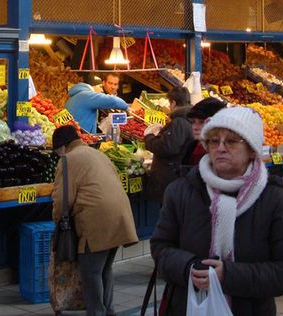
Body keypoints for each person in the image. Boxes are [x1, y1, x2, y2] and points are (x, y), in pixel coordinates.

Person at [150, 107, 283, 315]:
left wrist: (228, 275)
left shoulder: (276, 199)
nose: (220, 148)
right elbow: (161, 248)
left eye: (231, 141)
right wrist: (188, 267)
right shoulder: (181, 191)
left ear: (252, 149)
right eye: (214, 141)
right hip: (186, 307)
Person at [51, 125, 138, 316]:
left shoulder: (68, 160)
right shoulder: (98, 154)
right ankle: (109, 311)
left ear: (62, 147)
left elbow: (62, 199)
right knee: (104, 268)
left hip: (97, 220)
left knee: (91, 273)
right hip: (120, 217)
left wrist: (56, 219)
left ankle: (97, 312)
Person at [142, 87, 193, 203]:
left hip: (171, 179)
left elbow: (166, 147)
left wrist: (149, 137)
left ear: (173, 103)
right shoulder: (190, 119)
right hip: (180, 178)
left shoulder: (179, 122)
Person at [64, 82, 129, 134]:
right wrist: (127, 107)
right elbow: (112, 101)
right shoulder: (87, 96)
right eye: (100, 87)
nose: (101, 90)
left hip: (71, 135)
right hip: (81, 138)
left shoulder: (74, 97)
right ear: (94, 86)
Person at [183, 97, 229, 166]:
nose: (195, 127)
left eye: (202, 122)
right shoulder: (193, 145)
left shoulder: (222, 155)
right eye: (193, 122)